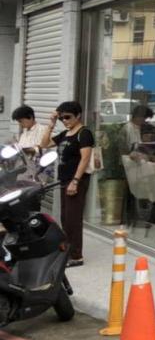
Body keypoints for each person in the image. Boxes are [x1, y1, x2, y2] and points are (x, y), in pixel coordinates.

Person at [41, 102, 94, 266]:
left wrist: (75, 181)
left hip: (77, 180)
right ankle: (68, 251)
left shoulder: (84, 133)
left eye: (68, 117)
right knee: (65, 217)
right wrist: (51, 124)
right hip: (65, 180)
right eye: (61, 118)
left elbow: (85, 159)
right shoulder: (65, 133)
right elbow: (44, 144)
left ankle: (76, 256)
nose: (64, 120)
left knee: (73, 219)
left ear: (78, 116)